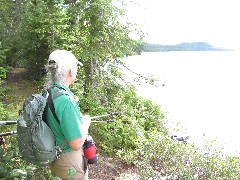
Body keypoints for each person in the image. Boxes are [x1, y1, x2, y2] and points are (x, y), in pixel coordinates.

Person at [44, 49, 91, 179]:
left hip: (54, 156)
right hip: (68, 161)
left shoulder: (49, 93)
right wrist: (86, 122)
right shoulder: (65, 101)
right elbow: (76, 144)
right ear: (70, 72)